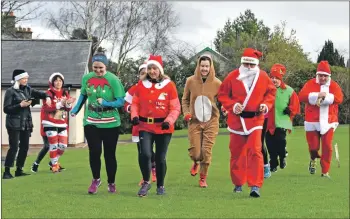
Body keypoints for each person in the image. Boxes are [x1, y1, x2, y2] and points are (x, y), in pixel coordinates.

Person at [217, 48, 276, 197]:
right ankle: (238, 182)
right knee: (236, 153)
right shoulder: (233, 76)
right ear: (242, 63)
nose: (249, 67)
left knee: (255, 151)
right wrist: (232, 105)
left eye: (251, 64)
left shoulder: (263, 76)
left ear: (256, 64)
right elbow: (222, 95)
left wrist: (266, 104)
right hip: (236, 121)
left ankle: (255, 185)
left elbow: (271, 93)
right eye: (246, 64)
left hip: (256, 120)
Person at [71, 52, 125, 194]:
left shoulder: (113, 80)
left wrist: (106, 103)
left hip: (111, 123)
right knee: (94, 151)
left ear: (105, 66)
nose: (98, 71)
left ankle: (111, 182)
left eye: (100, 68)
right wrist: (75, 109)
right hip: (91, 121)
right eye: (95, 68)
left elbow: (121, 101)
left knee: (109, 154)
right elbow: (83, 95)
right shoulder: (87, 78)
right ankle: (96, 179)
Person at [131, 55, 181, 197]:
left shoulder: (169, 86)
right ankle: (146, 182)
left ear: (160, 70)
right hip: (145, 125)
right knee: (145, 153)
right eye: (150, 68)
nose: (152, 71)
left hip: (163, 127)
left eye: (155, 69)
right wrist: (134, 116)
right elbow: (135, 103)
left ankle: (160, 185)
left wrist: (169, 120)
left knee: (160, 157)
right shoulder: (141, 85)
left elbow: (175, 107)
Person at [181, 54, 222, 188]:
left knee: (206, 151)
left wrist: (226, 109)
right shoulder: (190, 81)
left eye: (207, 66)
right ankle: (195, 161)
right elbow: (185, 100)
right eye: (202, 66)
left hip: (212, 121)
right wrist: (186, 113)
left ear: (211, 67)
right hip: (194, 121)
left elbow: (223, 100)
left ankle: (203, 177)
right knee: (196, 152)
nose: (204, 69)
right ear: (198, 66)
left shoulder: (217, 83)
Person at [3, 69, 52, 179]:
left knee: (24, 147)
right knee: (14, 147)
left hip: (26, 123)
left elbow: (40, 94)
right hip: (13, 124)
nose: (26, 80)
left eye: (26, 78)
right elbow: (6, 109)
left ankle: (19, 170)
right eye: (23, 78)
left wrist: (47, 96)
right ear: (17, 79)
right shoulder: (10, 91)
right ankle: (6, 172)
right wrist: (20, 105)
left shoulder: (28, 89)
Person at [298, 60, 343, 178]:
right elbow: (301, 96)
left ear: (329, 76)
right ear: (317, 75)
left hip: (329, 121)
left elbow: (339, 98)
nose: (322, 78)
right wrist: (316, 95)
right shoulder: (310, 83)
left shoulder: (334, 85)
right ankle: (313, 158)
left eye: (325, 76)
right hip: (312, 120)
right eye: (320, 75)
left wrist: (327, 97)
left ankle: (325, 171)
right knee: (313, 147)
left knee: (327, 146)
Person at [31, 72, 74, 173]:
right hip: (49, 122)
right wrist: (59, 104)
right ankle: (53, 165)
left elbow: (67, 109)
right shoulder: (48, 93)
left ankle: (53, 162)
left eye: (60, 80)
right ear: (52, 82)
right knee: (50, 145)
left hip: (61, 122)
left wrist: (68, 104)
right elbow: (47, 108)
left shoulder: (65, 93)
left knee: (63, 146)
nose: (58, 82)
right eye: (56, 80)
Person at [124, 62, 157, 185]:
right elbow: (126, 103)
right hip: (139, 125)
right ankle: (145, 176)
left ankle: (154, 170)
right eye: (142, 73)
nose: (144, 75)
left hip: (154, 125)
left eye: (146, 73)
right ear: (139, 75)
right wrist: (131, 109)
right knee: (142, 152)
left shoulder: (156, 86)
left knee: (151, 151)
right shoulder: (134, 88)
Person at [265, 64, 300, 173]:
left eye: (276, 78)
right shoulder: (265, 90)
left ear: (281, 79)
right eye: (272, 77)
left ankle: (282, 156)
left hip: (282, 121)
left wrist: (290, 110)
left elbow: (295, 105)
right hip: (268, 121)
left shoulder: (289, 90)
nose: (274, 80)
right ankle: (273, 162)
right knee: (270, 144)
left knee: (280, 141)